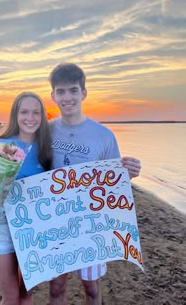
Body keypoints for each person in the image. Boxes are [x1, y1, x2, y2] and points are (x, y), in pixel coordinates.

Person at [48, 63, 141, 305]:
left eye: (73, 90)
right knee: (56, 288)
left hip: (91, 225)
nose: (67, 97)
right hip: (54, 224)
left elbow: (114, 184)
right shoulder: (45, 131)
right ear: (53, 95)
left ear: (83, 93)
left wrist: (127, 175)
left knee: (91, 287)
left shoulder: (103, 135)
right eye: (61, 91)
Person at [0, 92, 53, 305]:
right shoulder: (0, 145)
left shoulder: (47, 149)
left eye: (36, 112)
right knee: (11, 297)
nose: (30, 118)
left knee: (27, 295)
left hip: (33, 229)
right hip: (1, 228)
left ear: (42, 116)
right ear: (15, 115)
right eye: (24, 112)